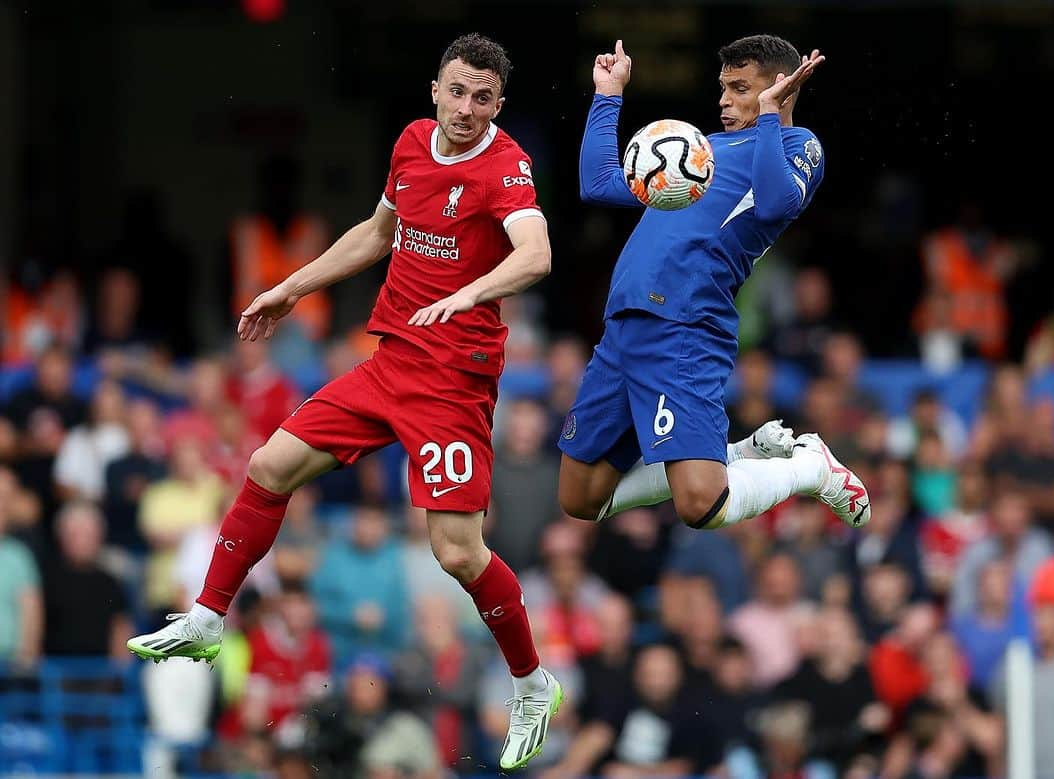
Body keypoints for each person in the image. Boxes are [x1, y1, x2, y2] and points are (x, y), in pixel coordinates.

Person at [127, 33, 560, 771]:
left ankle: (531, 681)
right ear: (434, 89)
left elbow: (537, 252)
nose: (466, 108)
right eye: (456, 91)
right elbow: (378, 232)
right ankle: (206, 618)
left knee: (456, 552)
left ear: (499, 104)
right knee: (268, 464)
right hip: (391, 361)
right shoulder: (412, 143)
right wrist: (290, 288)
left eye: (482, 98)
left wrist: (471, 292)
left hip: (453, 383)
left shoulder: (505, 166)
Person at [558, 35, 871, 538]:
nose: (724, 100)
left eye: (740, 88)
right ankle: (738, 454)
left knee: (701, 502)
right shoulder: (698, 152)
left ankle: (811, 469)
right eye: (723, 88)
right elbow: (597, 183)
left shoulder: (797, 145)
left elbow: (773, 205)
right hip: (624, 328)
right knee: (580, 497)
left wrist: (770, 114)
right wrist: (608, 95)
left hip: (685, 326)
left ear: (780, 88)